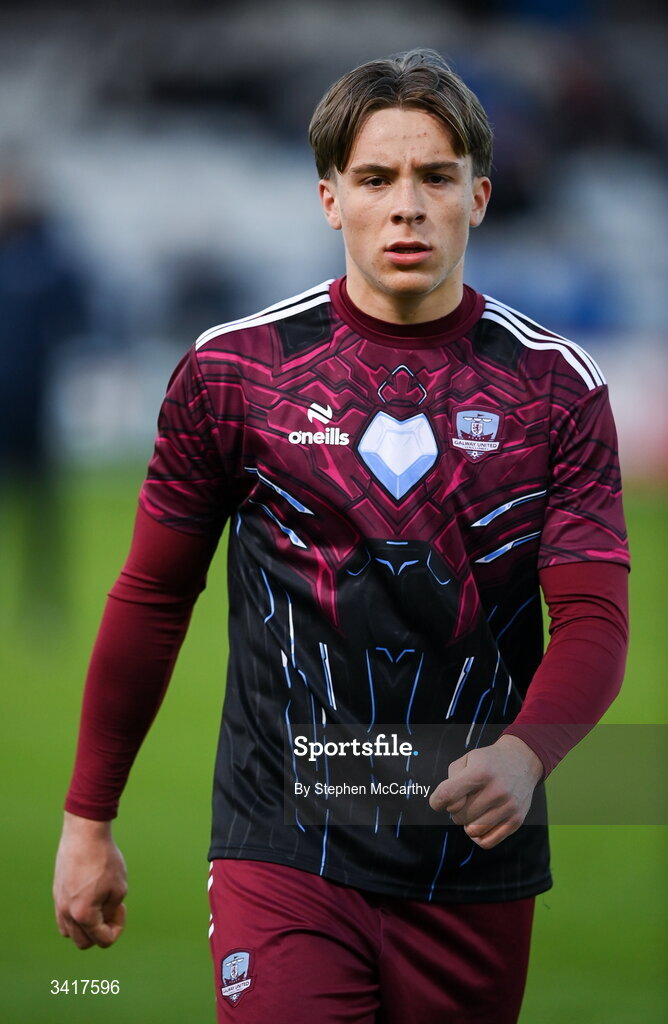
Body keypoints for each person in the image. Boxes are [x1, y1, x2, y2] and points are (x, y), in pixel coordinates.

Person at [53, 49, 629, 1023]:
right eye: (374, 178)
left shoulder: (555, 389)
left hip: (472, 852)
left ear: (477, 197)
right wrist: (87, 817)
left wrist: (527, 753)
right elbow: (153, 596)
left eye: (434, 177)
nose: (405, 206)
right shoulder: (233, 375)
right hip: (281, 842)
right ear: (329, 199)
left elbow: (591, 617)